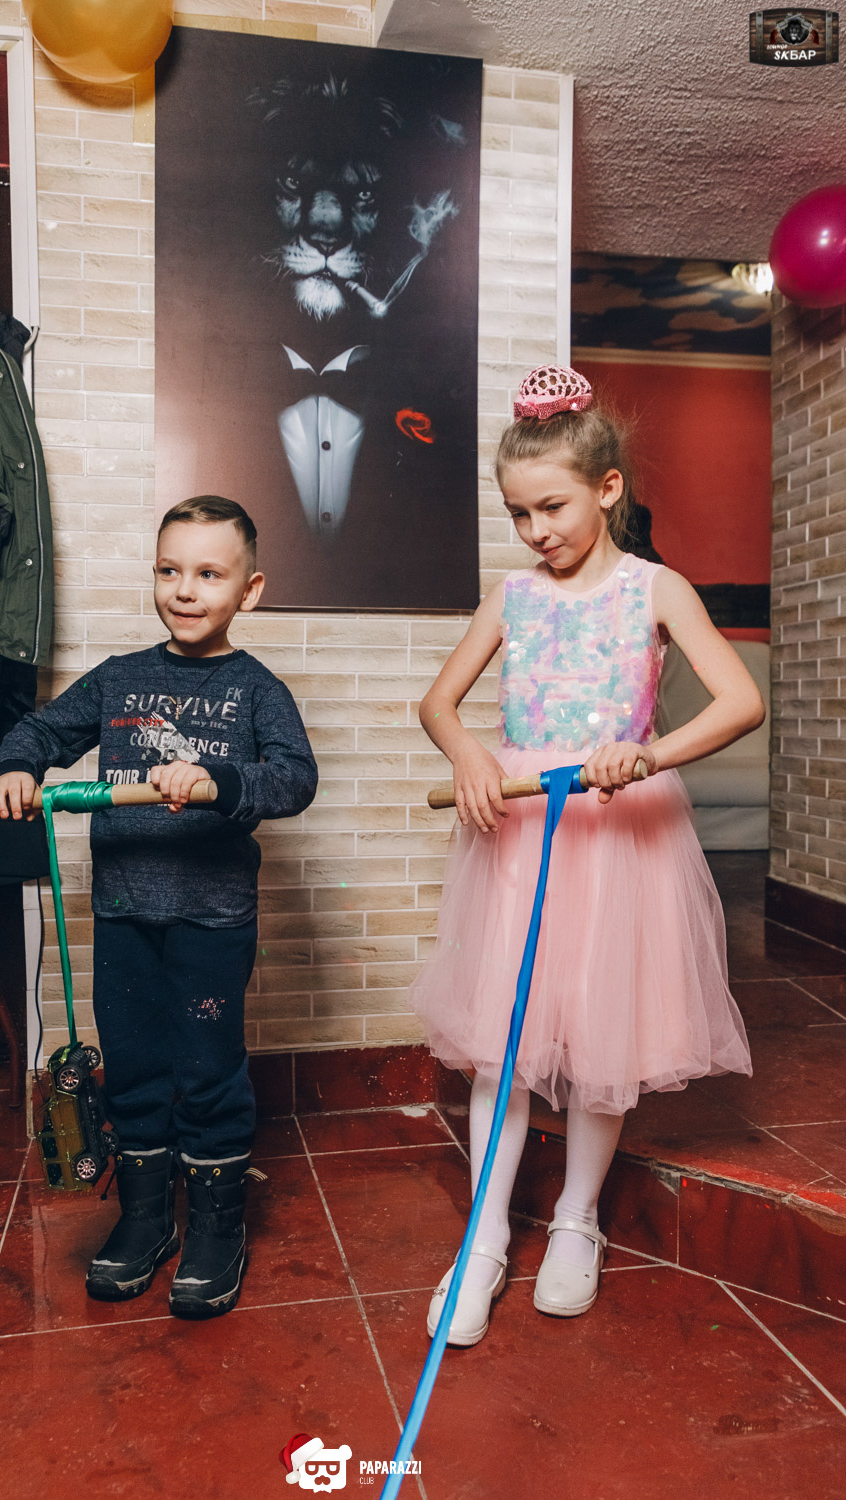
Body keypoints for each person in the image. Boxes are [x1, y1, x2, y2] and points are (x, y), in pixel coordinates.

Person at [410, 366, 761, 1345]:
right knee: (505, 1044)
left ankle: (575, 1219)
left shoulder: (656, 589)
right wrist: (470, 753)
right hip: (522, 837)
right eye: (518, 514)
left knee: (607, 1037)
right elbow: (438, 703)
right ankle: (483, 1239)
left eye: (551, 508)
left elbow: (740, 701)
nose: (535, 531)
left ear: (607, 489)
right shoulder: (513, 598)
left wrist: (647, 753)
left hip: (617, 839)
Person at [0, 496, 318, 1317]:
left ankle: (215, 1229)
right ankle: (145, 1219)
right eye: (170, 570)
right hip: (124, 912)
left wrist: (217, 782)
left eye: (209, 573)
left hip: (212, 920)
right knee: (134, 1065)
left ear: (250, 590)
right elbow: (41, 731)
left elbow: (294, 779)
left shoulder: (256, 690)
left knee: (207, 1071)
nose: (185, 589)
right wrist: (17, 767)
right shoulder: (120, 678)